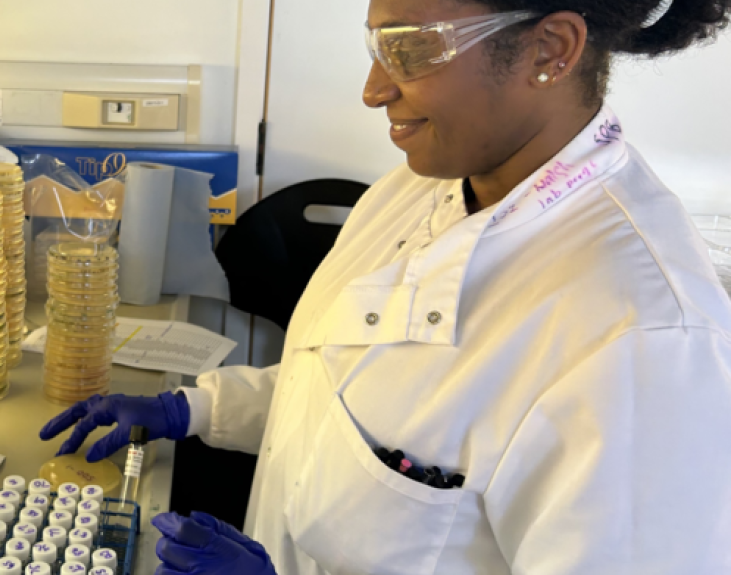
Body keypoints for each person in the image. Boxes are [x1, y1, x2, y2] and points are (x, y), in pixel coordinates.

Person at [41, 0, 731, 572]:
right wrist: (188, 409)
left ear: (550, 49)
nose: (373, 88)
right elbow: (340, 395)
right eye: (376, 44)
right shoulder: (408, 193)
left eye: (411, 50)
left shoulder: (648, 339)